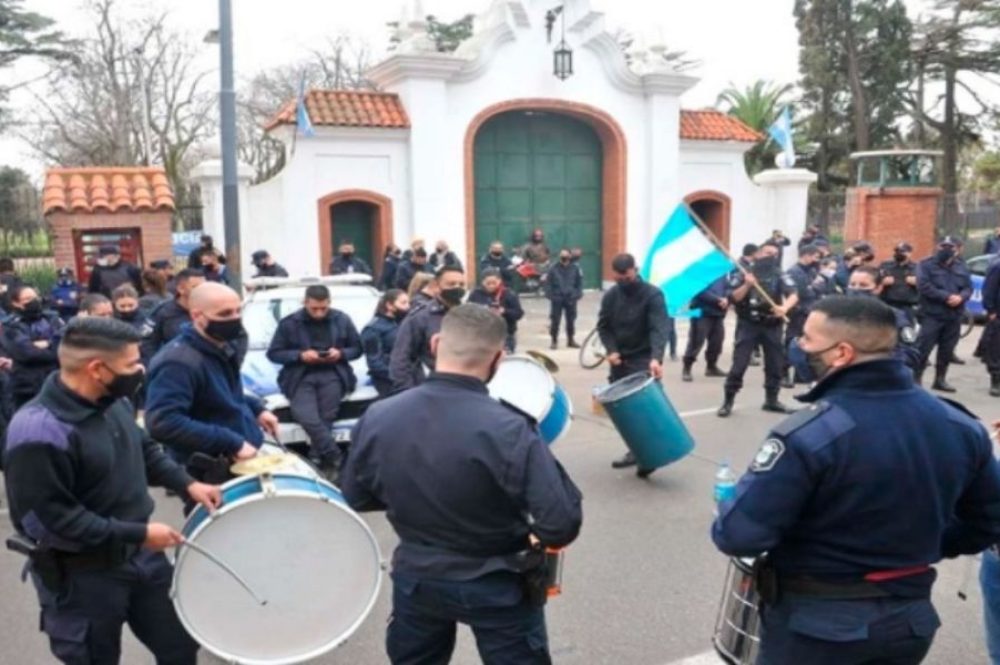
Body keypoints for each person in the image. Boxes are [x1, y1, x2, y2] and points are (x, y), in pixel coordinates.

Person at [712, 295, 1000, 665]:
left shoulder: (808, 434)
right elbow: (989, 518)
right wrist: (928, 544)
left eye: (807, 340)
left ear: (842, 353)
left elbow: (739, 534)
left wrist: (729, 500)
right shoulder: (958, 425)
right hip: (907, 622)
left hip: (816, 631)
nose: (798, 347)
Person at [341, 304, 582, 665]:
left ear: (435, 344)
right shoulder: (511, 428)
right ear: (499, 359)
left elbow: (356, 495)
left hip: (418, 576)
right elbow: (561, 522)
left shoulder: (378, 415)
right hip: (497, 579)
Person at [3, 317, 223, 665]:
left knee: (180, 646)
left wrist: (187, 483)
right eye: (133, 363)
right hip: (83, 575)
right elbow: (49, 522)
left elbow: (145, 449)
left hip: (142, 560)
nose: (141, 369)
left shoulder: (113, 401)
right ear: (96, 369)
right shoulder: (39, 432)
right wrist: (138, 533)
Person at [145, 283, 278, 468]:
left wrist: (256, 409)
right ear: (197, 315)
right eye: (225, 314)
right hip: (208, 470)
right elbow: (163, 423)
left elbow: (219, 394)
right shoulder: (178, 362)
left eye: (238, 311)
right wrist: (232, 442)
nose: (235, 319)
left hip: (241, 460)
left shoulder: (222, 345)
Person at [266, 284, 361, 480]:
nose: (319, 313)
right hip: (300, 375)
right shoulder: (289, 323)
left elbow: (357, 348)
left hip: (333, 373)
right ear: (305, 302)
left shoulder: (341, 319)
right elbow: (274, 353)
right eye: (314, 308)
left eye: (323, 308)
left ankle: (315, 458)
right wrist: (300, 355)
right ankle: (336, 456)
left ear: (329, 303)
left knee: (327, 417)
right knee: (307, 416)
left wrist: (340, 353)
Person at [597, 254, 669, 473]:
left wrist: (656, 358)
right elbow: (604, 327)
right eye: (619, 278)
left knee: (644, 409)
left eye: (627, 277)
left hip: (643, 359)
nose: (623, 281)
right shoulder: (611, 296)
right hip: (619, 360)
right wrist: (612, 350)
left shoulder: (653, 294)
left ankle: (651, 455)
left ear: (635, 270)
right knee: (625, 413)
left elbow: (659, 328)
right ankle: (636, 451)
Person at [718, 242, 798, 418]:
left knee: (775, 365)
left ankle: (771, 400)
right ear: (758, 254)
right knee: (739, 365)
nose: (771, 257)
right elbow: (733, 298)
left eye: (775, 254)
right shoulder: (744, 273)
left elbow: (793, 293)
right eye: (768, 253)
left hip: (772, 326)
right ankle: (728, 401)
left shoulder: (779, 274)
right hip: (749, 325)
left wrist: (784, 308)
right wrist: (747, 285)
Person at [389, 265, 467, 392]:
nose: (457, 288)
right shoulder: (420, 318)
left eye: (461, 284)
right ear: (436, 285)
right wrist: (408, 392)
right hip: (433, 389)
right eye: (451, 284)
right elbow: (400, 359)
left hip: (466, 389)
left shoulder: (471, 316)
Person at [914, 236, 972, 392]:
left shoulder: (961, 266)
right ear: (936, 247)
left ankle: (940, 379)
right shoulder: (925, 265)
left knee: (947, 350)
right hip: (932, 314)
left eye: (950, 247)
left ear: (956, 249)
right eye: (943, 246)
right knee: (923, 349)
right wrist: (946, 297)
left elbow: (968, 287)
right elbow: (924, 286)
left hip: (953, 315)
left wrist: (961, 297)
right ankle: (916, 379)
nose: (946, 250)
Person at [4, 285, 64, 408]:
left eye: (35, 297)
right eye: (28, 299)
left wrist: (48, 344)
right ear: (16, 303)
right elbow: (27, 354)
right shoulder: (10, 326)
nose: (34, 301)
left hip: (58, 381)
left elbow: (66, 344)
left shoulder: (52, 318)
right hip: (28, 388)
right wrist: (53, 346)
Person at [781, 244, 824, 386]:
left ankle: (799, 374)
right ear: (806, 255)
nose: (816, 260)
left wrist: (813, 287)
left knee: (806, 342)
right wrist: (812, 287)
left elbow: (821, 287)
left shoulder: (811, 271)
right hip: (798, 312)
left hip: (810, 311)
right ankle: (783, 373)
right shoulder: (794, 272)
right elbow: (802, 292)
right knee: (792, 342)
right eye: (815, 257)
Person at [140, 268, 206, 360]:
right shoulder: (163, 312)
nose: (202, 291)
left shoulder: (211, 310)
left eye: (205, 287)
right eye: (195, 287)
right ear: (181, 289)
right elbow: (146, 343)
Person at [361, 289, 411, 397]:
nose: (407, 307)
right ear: (389, 305)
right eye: (403, 303)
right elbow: (375, 362)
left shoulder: (402, 323)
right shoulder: (373, 329)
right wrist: (396, 376)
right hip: (389, 382)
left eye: (408, 303)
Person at [682, 275, 729, 382]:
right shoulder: (701, 272)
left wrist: (726, 298)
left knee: (717, 341)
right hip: (701, 312)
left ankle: (711, 367)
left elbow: (727, 288)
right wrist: (718, 299)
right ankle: (687, 368)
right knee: (696, 341)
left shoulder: (721, 274)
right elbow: (699, 291)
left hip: (718, 312)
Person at [468, 268, 523, 353]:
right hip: (481, 335)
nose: (491, 286)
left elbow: (519, 313)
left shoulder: (509, 294)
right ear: (482, 282)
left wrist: (504, 311)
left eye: (494, 283)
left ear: (500, 281)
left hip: (505, 335)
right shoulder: (476, 294)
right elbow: (468, 312)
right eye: (488, 283)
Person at [545, 249, 583, 350]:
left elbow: (579, 283)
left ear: (570, 256)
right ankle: (554, 341)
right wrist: (550, 295)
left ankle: (570, 340)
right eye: (562, 255)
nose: (564, 256)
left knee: (571, 320)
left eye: (566, 255)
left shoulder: (575, 268)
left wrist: (577, 294)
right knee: (555, 320)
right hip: (557, 298)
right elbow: (548, 283)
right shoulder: (553, 268)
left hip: (571, 298)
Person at [878, 242, 919, 325]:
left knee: (907, 330)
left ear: (909, 253)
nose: (899, 254)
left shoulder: (916, 267)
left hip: (907, 305)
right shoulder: (885, 265)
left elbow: (926, 284)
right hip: (888, 303)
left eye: (902, 251)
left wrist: (917, 282)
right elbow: (875, 280)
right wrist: (882, 281)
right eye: (897, 251)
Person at [978, 256, 1000, 396]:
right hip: (998, 314)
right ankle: (996, 380)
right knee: (996, 350)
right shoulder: (997, 266)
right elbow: (989, 289)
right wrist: (991, 310)